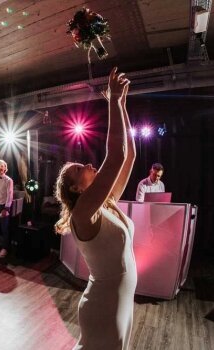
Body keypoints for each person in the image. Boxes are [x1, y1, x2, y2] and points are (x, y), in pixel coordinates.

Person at [55, 67, 136, 349]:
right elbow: (116, 156)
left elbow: (130, 155)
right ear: (76, 189)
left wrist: (122, 106)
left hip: (121, 302)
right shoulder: (83, 213)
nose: (90, 165)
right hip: (104, 306)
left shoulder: (107, 201)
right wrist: (112, 101)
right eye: (81, 169)